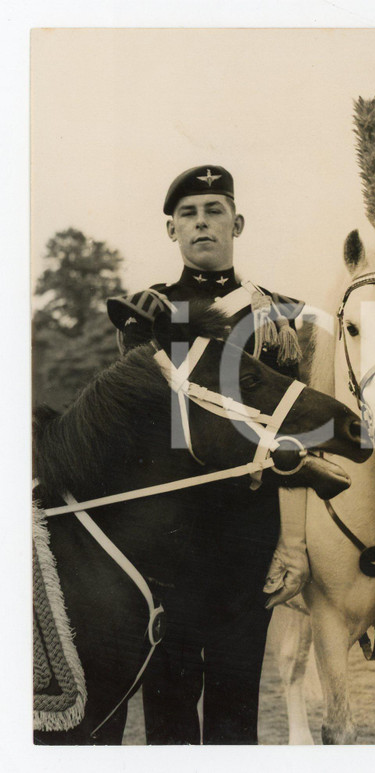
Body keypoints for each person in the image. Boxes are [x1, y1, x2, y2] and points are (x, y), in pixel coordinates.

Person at [106, 165, 309, 743]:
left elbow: (293, 438)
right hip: (167, 534)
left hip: (246, 529)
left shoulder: (277, 316)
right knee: (167, 701)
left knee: (235, 700)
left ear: (236, 223)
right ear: (172, 229)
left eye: (214, 211)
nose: (202, 223)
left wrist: (291, 542)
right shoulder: (145, 312)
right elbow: (130, 430)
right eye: (189, 214)